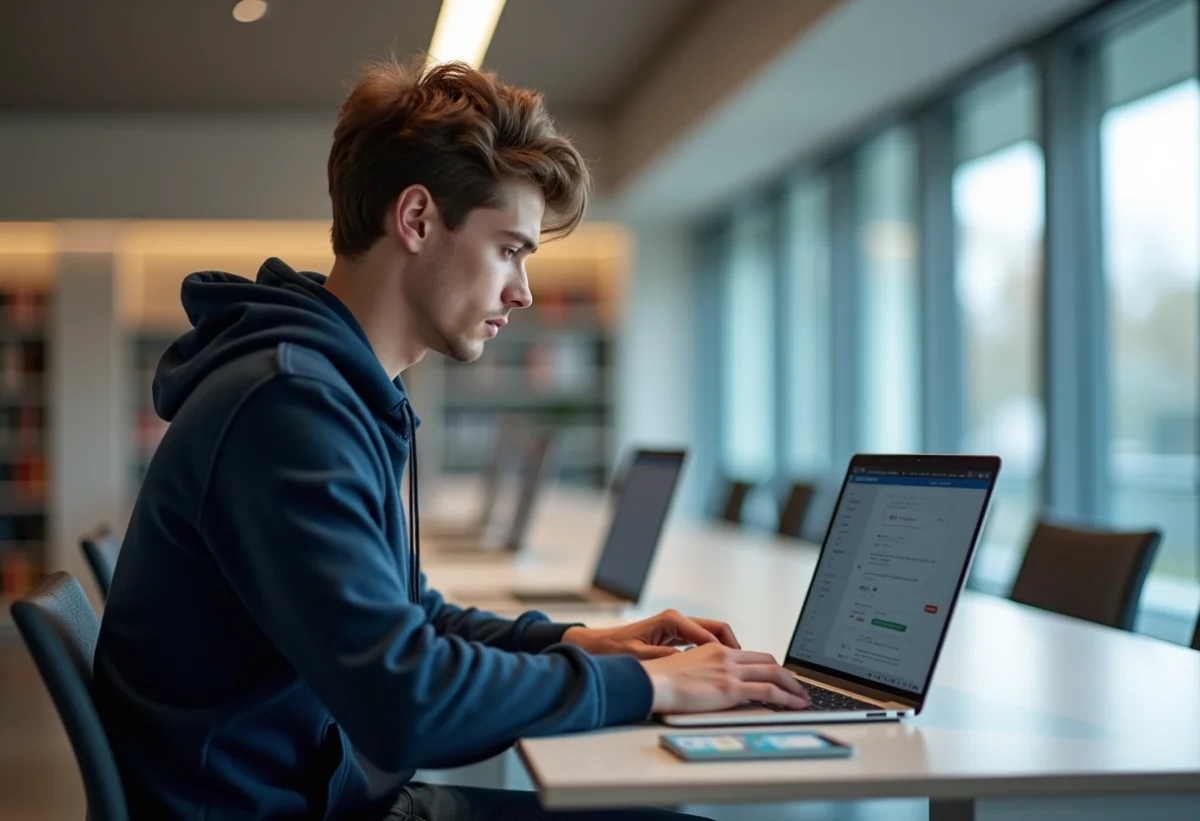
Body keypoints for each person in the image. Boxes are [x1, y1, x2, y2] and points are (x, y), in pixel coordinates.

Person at [92, 56, 810, 821]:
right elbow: (404, 703)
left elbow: (409, 618)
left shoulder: (333, 388)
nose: (523, 291)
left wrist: (581, 642)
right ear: (417, 219)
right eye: (509, 250)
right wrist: (653, 684)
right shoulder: (288, 407)